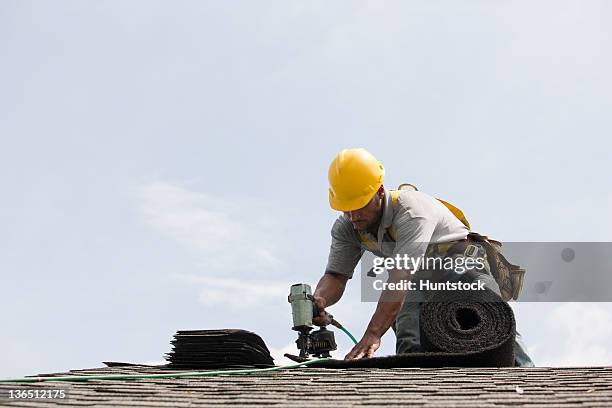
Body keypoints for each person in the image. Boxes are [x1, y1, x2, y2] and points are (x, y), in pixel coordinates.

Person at [313, 147, 534, 366]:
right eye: (346, 209)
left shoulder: (411, 211)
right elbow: (335, 276)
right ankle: (415, 389)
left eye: (360, 206)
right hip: (417, 276)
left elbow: (400, 278)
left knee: (493, 317)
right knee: (409, 332)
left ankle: (527, 376)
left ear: (379, 192)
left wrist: (373, 333)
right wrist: (320, 299)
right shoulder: (347, 227)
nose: (353, 216)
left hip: (460, 262)